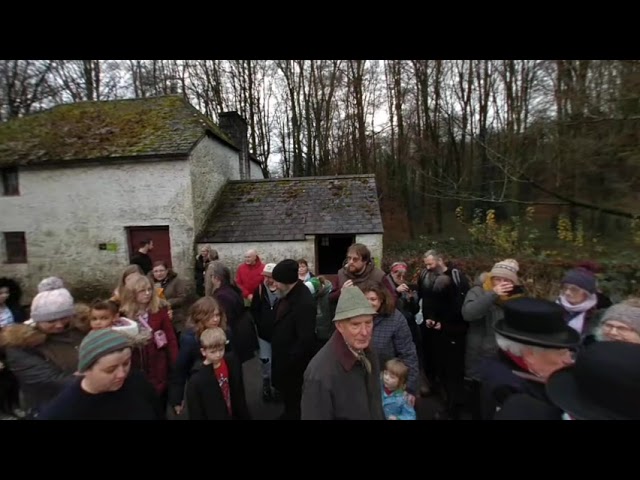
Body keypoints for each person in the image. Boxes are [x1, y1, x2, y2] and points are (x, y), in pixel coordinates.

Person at [38, 329, 163, 420]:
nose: (122, 374)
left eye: (126, 364)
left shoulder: (137, 381)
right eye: (110, 370)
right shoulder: (61, 411)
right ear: (86, 370)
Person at [301, 286, 385, 420]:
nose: (364, 332)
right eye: (355, 325)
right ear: (339, 326)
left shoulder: (368, 350)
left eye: (368, 323)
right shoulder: (319, 373)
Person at [185, 327, 251, 420]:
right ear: (203, 351)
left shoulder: (231, 362)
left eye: (221, 349)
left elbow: (239, 393)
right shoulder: (196, 379)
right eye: (213, 352)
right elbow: (196, 411)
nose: (218, 355)